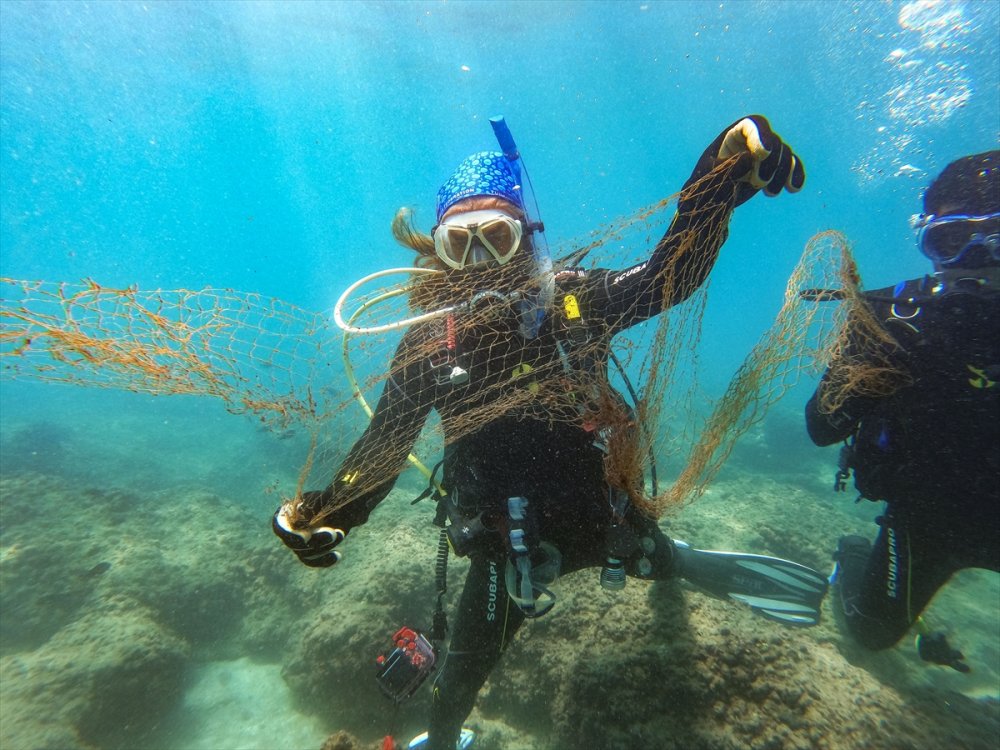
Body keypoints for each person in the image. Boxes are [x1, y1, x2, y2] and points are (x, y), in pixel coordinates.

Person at [275, 115, 826, 750]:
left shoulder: (570, 302)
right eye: (461, 244)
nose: (480, 263)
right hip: (505, 546)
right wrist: (332, 508)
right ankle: (446, 735)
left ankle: (680, 560)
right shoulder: (428, 344)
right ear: (435, 250)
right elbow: (384, 444)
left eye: (497, 238)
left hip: (600, 515)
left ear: (526, 237)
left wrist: (715, 183)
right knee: (457, 682)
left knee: (654, 557)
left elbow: (665, 278)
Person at [806, 150, 999, 673]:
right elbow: (821, 429)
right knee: (871, 631)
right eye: (954, 241)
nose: (981, 258)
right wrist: (866, 369)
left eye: (999, 239)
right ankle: (852, 553)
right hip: (925, 518)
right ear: (930, 244)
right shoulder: (891, 320)